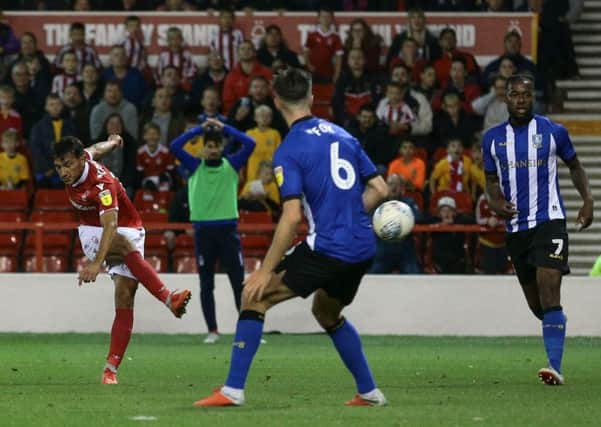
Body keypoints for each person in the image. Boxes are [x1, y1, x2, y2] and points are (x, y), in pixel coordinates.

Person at [194, 67, 389, 407]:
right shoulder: (345, 136)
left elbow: (292, 217)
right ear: (312, 97)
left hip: (327, 248)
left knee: (254, 297)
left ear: (276, 100)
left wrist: (264, 271)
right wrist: (349, 216)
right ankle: (370, 392)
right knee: (327, 314)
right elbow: (380, 188)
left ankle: (232, 391)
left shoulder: (289, 150)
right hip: (361, 247)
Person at [482, 74, 593, 385]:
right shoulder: (492, 139)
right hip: (517, 227)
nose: (520, 99)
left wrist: (588, 199)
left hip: (549, 220)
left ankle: (554, 367)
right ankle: (556, 322)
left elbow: (574, 165)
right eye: (515, 94)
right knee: (538, 305)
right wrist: (494, 202)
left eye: (526, 95)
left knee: (549, 287)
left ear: (533, 98)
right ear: (505, 98)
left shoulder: (553, 131)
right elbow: (490, 182)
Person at [53, 135, 191, 385]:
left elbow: (113, 224)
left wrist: (96, 265)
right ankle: (168, 298)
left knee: (125, 295)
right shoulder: (85, 158)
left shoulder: (101, 184)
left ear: (81, 160)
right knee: (122, 244)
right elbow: (96, 148)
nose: (63, 172)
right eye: (59, 166)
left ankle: (110, 369)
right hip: (91, 230)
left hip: (128, 227)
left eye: (67, 165)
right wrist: (113, 141)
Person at [170, 118, 255, 344]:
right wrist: (200, 129)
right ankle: (213, 330)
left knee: (239, 284)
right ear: (203, 148)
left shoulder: (232, 164)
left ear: (221, 147)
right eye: (209, 146)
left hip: (228, 231)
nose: (214, 149)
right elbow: (175, 146)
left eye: (217, 146)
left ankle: (247, 330)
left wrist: (224, 128)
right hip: (204, 233)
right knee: (207, 285)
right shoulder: (194, 166)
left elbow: (251, 144)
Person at [369, 174, 422, 274]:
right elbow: (369, 220)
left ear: (402, 188)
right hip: (383, 252)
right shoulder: (379, 204)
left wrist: (401, 216)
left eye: (396, 185)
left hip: (405, 252)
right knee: (372, 277)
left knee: (415, 276)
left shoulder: (409, 202)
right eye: (390, 184)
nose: (393, 187)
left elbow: (419, 218)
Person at [30, 94, 77, 188]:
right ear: (46, 107)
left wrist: (60, 168)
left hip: (65, 169)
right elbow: (36, 150)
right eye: (51, 104)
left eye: (58, 104)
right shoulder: (38, 127)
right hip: (44, 171)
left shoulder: (70, 126)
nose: (55, 107)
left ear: (62, 106)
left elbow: (73, 148)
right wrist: (49, 168)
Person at [332, 48, 384, 127]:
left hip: (369, 118)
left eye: (359, 58)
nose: (356, 61)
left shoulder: (373, 78)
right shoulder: (341, 80)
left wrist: (369, 117)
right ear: (348, 61)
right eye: (353, 58)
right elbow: (337, 104)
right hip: (348, 121)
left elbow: (377, 101)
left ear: (365, 60)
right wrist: (347, 119)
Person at [222, 41, 272, 114]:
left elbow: (272, 95)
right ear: (238, 53)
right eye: (243, 49)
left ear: (255, 52)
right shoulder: (231, 76)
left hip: (265, 114)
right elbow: (227, 101)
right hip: (240, 116)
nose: (246, 51)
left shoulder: (266, 72)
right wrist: (235, 114)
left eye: (249, 49)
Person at [303, 8, 344, 84]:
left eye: (328, 16)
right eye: (323, 16)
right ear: (319, 19)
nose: (325, 19)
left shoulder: (335, 37)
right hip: (313, 72)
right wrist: (308, 65)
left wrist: (337, 74)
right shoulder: (312, 35)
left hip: (328, 73)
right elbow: (306, 52)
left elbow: (339, 58)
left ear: (332, 19)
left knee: (327, 93)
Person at [244, 105, 281, 182]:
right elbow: (243, 154)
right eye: (261, 115)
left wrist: (279, 175)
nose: (264, 118)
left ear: (271, 118)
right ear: (255, 118)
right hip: (253, 173)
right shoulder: (249, 134)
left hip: (270, 174)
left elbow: (279, 155)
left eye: (267, 116)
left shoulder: (275, 134)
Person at [137, 122, 175, 191]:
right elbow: (140, 173)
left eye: (154, 134)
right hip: (147, 181)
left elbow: (170, 172)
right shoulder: (140, 153)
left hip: (163, 181)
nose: (152, 137)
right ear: (144, 136)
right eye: (149, 134)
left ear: (159, 136)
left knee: (164, 187)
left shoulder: (166, 152)